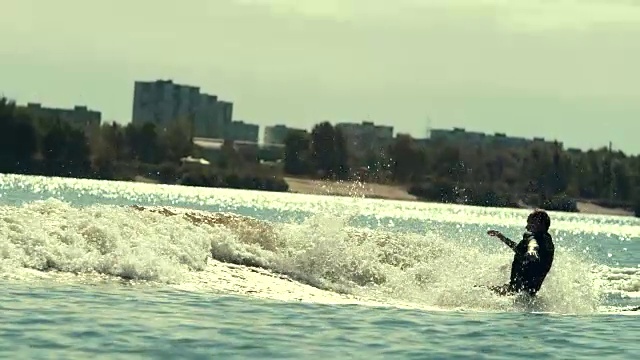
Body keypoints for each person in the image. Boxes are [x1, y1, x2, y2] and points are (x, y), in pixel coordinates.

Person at [486, 209, 555, 297]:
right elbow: (519, 250)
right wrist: (502, 237)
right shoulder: (547, 242)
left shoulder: (531, 236)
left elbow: (532, 243)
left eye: (530, 223)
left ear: (539, 224)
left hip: (516, 291)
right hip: (528, 293)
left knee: (479, 291)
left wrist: (532, 251)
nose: (527, 227)